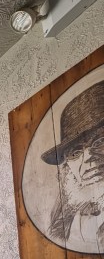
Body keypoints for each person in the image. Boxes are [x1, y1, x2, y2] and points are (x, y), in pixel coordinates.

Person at [41, 82, 104, 250]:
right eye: (75, 152)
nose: (88, 158)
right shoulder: (65, 223)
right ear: (68, 166)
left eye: (100, 142)